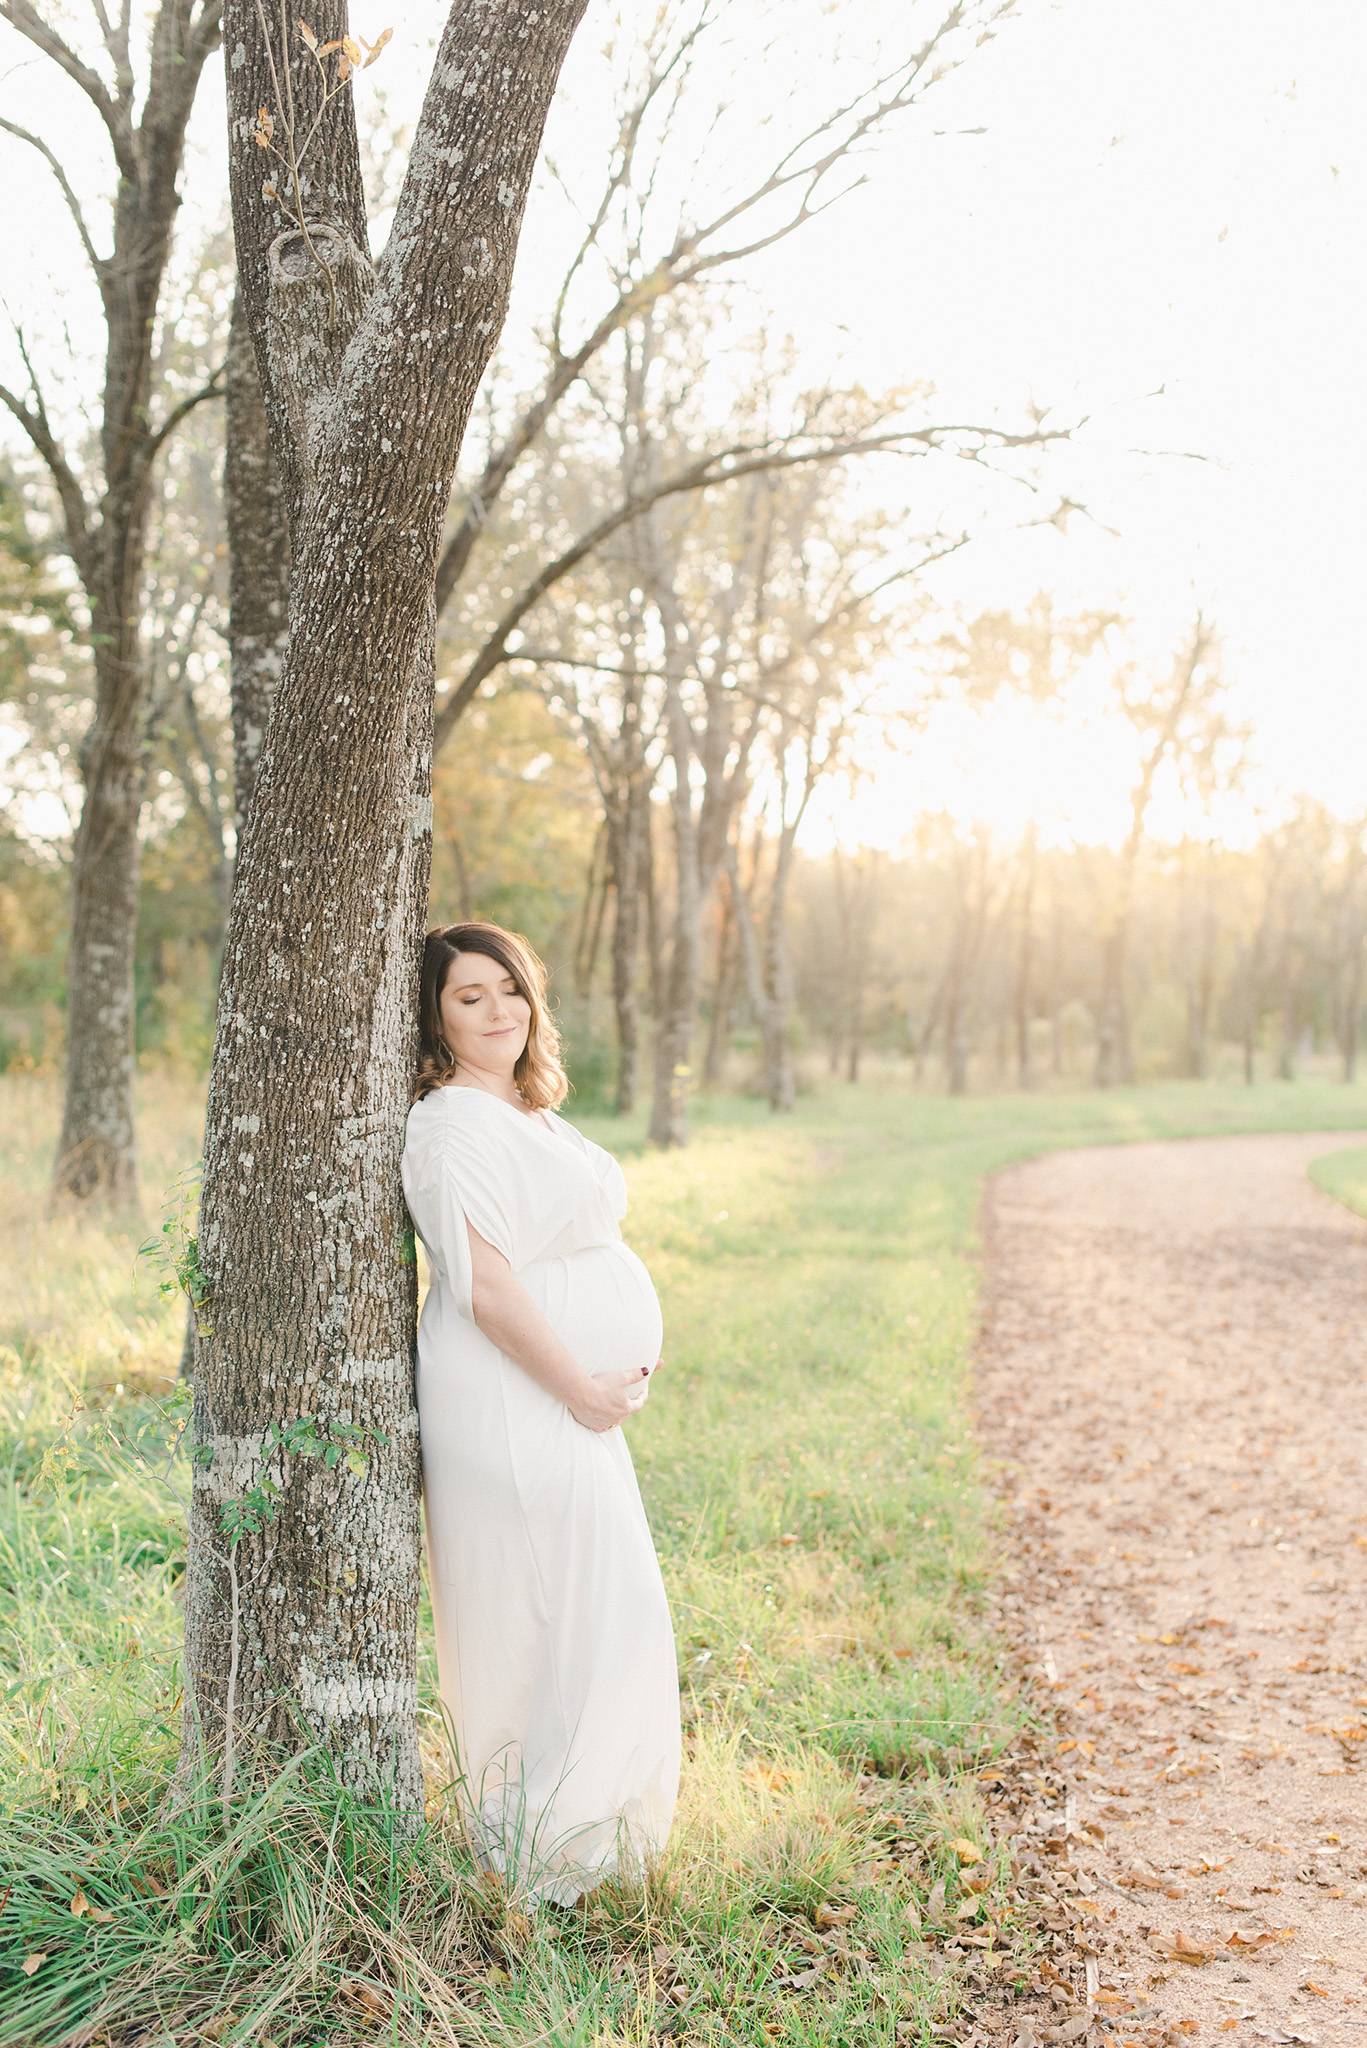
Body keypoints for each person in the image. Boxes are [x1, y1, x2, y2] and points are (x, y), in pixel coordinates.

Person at [400, 919, 681, 1910]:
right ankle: (539, 1848)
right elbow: (485, 1286)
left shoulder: (517, 1109)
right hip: (515, 1398)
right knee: (549, 1610)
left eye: (508, 988)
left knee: (601, 1609)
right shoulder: (446, 1123)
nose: (496, 1010)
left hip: (564, 1399)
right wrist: (578, 1383)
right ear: (434, 1018)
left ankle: (583, 1835)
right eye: (468, 996)